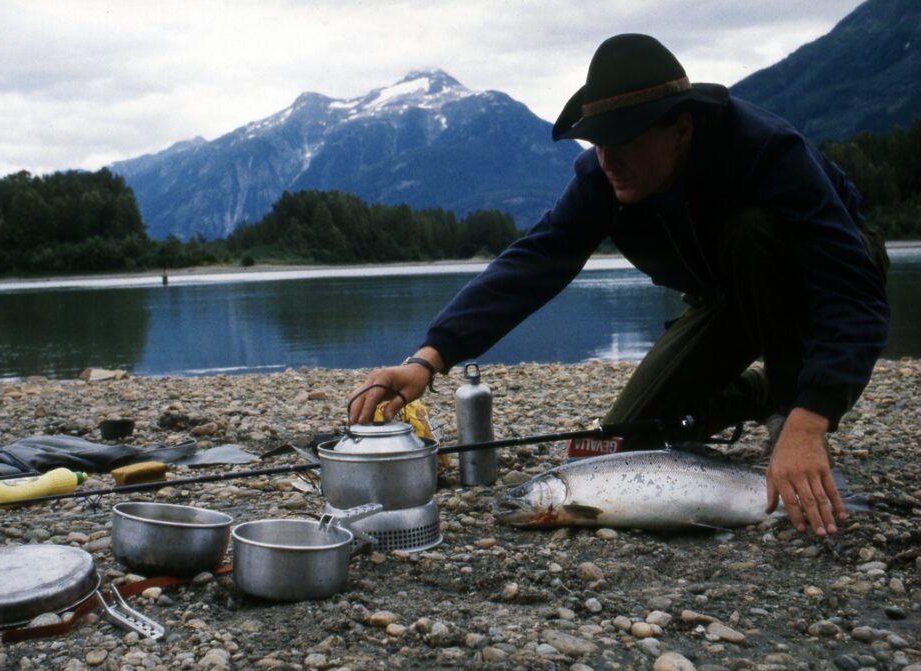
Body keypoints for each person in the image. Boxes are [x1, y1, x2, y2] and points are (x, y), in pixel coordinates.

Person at [347, 34, 890, 537]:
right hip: (723, 301)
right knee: (625, 440)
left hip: (818, 279)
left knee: (754, 233)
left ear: (681, 129)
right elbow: (533, 263)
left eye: (623, 141)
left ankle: (791, 400)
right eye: (596, 142)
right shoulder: (601, 179)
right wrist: (427, 359)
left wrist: (810, 419)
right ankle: (763, 390)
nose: (607, 159)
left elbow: (852, 291)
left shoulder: (769, 152)